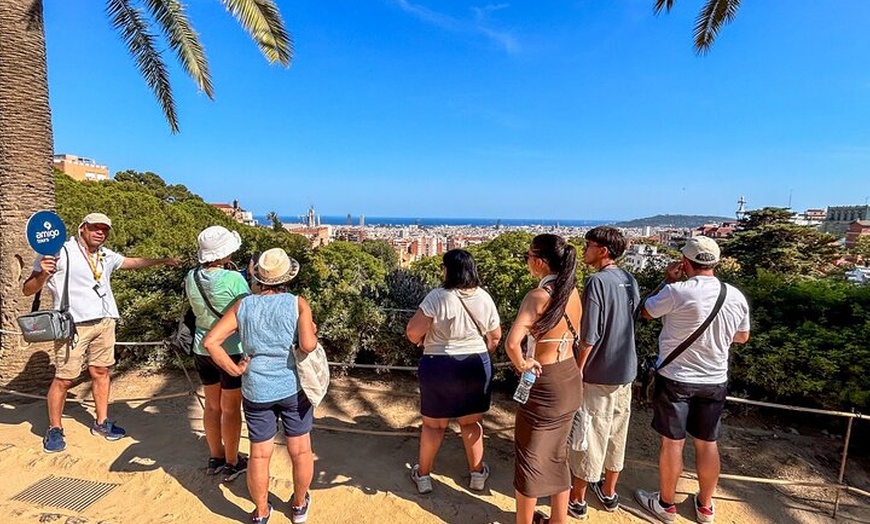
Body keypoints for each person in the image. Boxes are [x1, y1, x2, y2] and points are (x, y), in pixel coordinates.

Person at [22, 212, 178, 453]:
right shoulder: (60, 252)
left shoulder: (105, 255)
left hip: (105, 321)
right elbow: (27, 289)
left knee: (101, 371)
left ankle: (102, 422)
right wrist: (43, 273)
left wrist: (162, 260)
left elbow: (131, 262)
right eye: (95, 227)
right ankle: (54, 428)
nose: (100, 233)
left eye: (105, 229)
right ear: (82, 227)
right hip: (73, 325)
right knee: (65, 378)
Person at [634, 236, 750, 524]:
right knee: (707, 443)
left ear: (685, 262)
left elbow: (645, 312)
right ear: (716, 262)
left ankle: (666, 505)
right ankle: (705, 506)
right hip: (714, 380)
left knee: (672, 443)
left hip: (676, 378)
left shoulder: (678, 292)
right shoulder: (734, 295)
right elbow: (742, 336)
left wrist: (666, 282)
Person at [204, 248, 317, 524]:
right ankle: (299, 505)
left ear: (259, 277)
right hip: (291, 386)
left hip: (256, 388)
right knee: (300, 450)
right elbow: (308, 345)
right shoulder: (298, 303)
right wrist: (311, 328)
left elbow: (210, 342)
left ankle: (261, 512)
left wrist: (235, 368)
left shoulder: (244, 304)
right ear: (287, 276)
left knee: (259, 454)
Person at [405, 249, 502, 494]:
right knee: (471, 423)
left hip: (439, 364)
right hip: (474, 364)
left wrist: (424, 340)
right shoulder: (484, 297)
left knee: (433, 426)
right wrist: (480, 353)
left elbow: (412, 332)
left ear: (450, 270)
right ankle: (477, 474)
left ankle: (424, 475)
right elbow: (495, 336)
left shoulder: (437, 297)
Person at [505, 234, 583, 524]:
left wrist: (523, 363)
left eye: (528, 257)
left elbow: (512, 344)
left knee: (530, 457)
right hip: (569, 376)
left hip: (544, 381)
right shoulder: (573, 292)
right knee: (557, 454)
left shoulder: (537, 297)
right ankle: (558, 519)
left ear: (538, 262)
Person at [568, 227, 640, 519]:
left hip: (599, 373)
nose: (584, 250)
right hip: (626, 369)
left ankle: (577, 499)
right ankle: (609, 493)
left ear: (603, 250)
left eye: (588, 245)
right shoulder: (628, 279)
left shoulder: (597, 282)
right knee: (616, 434)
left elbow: (590, 335)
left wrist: (578, 370)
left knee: (589, 435)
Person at [186, 226, 250, 480]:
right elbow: (246, 310)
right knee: (231, 408)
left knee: (212, 406)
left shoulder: (191, 276)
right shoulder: (234, 279)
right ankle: (233, 462)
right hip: (230, 350)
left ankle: (216, 456)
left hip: (201, 348)